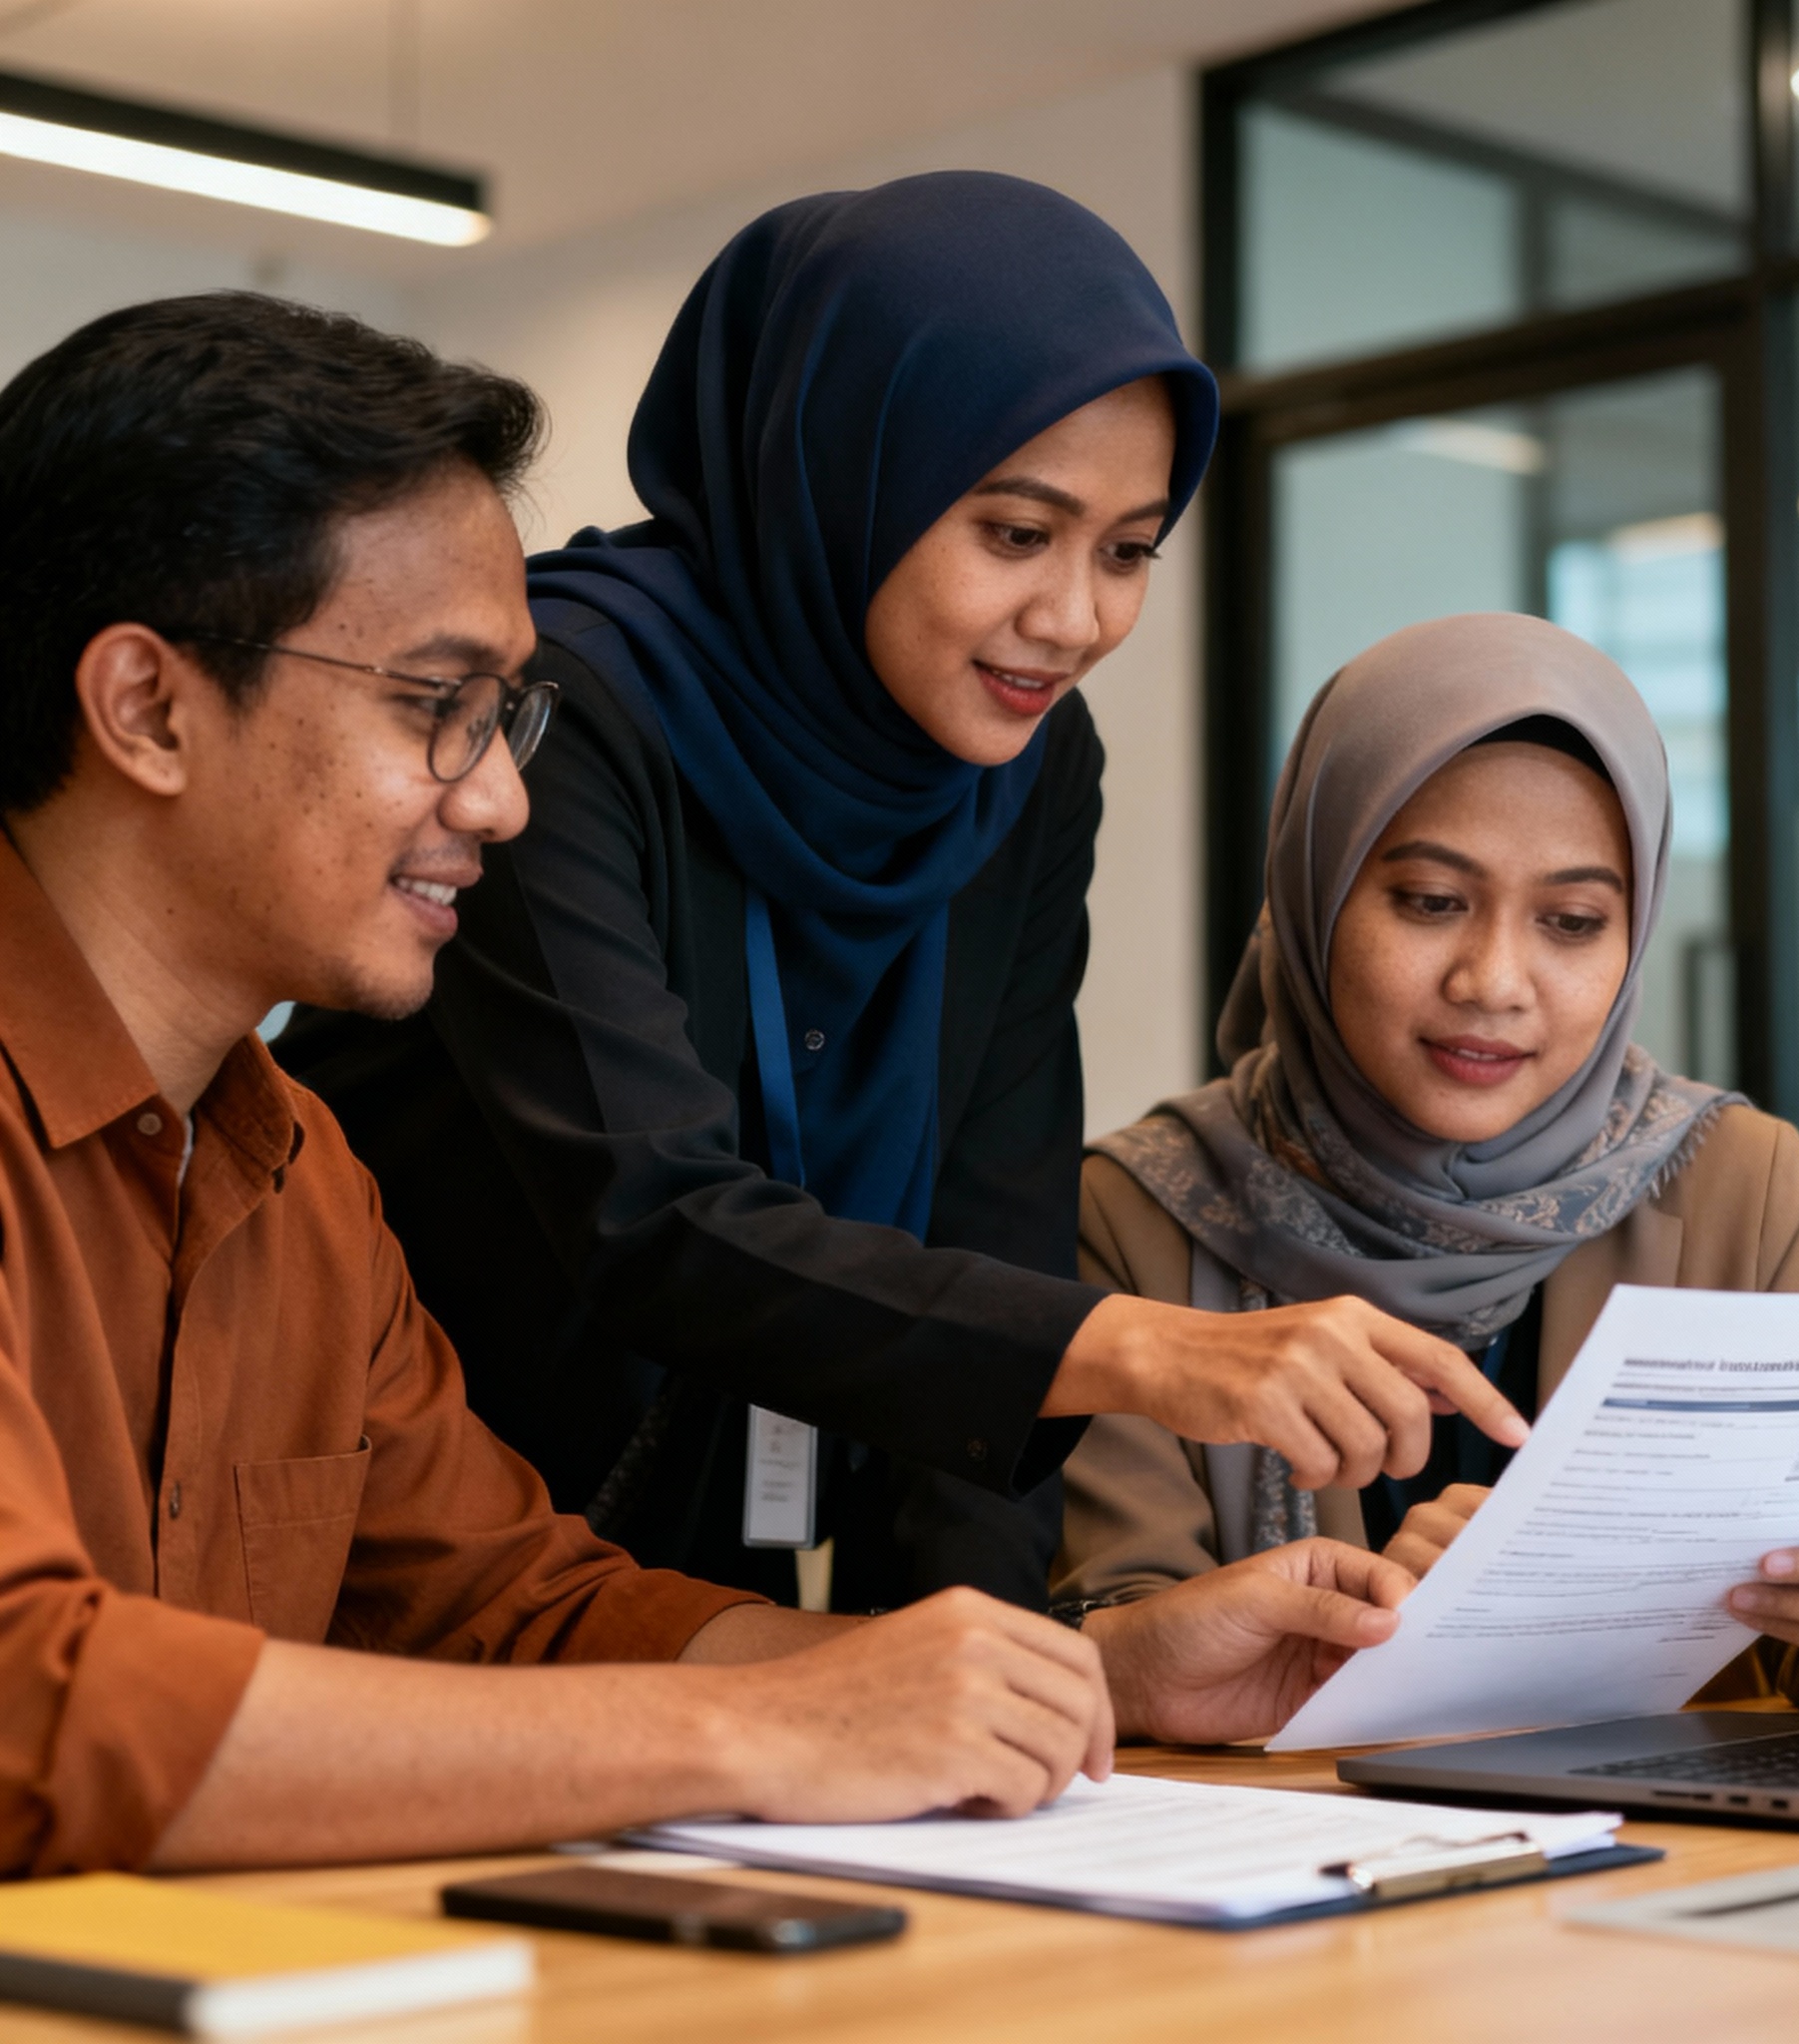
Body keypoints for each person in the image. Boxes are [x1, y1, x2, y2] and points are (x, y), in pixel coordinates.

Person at [0, 290, 1423, 1877]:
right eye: (434, 708)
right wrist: (763, 1733)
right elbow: (29, 1698)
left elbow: (519, 1610)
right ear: (149, 709)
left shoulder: (296, 1172)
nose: (502, 800)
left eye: (504, 716)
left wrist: (1080, 1680)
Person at [280, 172, 1525, 1613]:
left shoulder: (1024, 769)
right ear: (841, 473)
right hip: (416, 1529)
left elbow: (991, 1214)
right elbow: (650, 1216)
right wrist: (1139, 1347)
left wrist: (989, 1659)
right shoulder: (561, 714)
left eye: (1128, 551)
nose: (1074, 619)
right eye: (1016, 533)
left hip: (717, 1563)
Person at [1055, 614, 1799, 1709]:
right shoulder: (1136, 1210)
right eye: (1430, 902)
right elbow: (1099, 1625)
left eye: (1573, 920)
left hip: (1671, 1814)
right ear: (1313, 893)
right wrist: (1382, 1627)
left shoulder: (1736, 1181)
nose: (1493, 980)